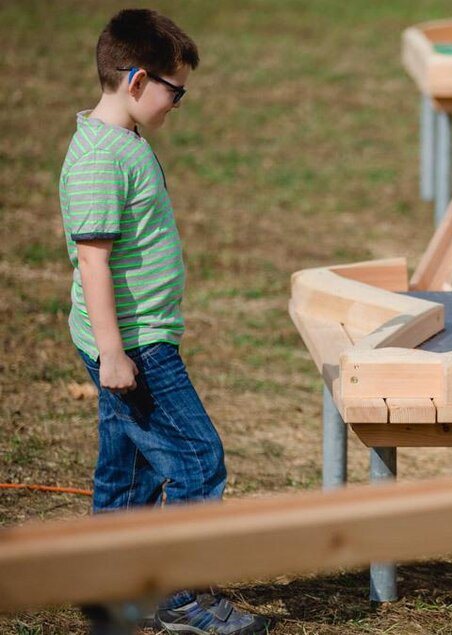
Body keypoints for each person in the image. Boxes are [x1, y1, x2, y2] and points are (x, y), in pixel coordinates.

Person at [58, 9, 268, 635]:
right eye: (176, 90)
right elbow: (93, 263)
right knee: (198, 458)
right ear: (138, 80)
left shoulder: (122, 142)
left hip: (133, 337)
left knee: (130, 467)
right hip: (134, 344)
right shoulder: (99, 158)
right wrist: (116, 353)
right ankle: (183, 598)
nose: (180, 102)